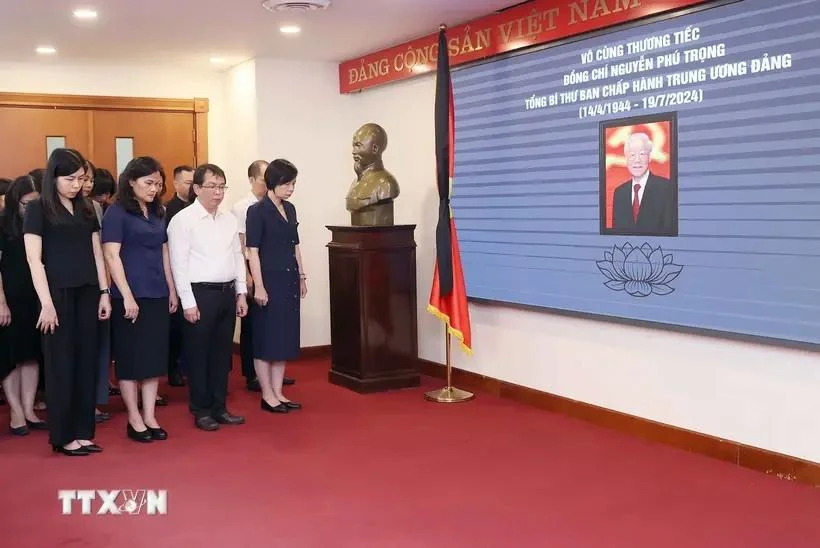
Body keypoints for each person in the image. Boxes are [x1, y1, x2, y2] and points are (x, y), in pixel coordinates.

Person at [23, 148, 112, 456]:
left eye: (81, 179)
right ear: (54, 177)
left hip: (88, 290)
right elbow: (34, 260)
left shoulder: (86, 208)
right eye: (70, 179)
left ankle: (83, 431)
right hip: (57, 295)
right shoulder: (39, 209)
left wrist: (104, 292)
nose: (77, 185)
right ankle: (63, 436)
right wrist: (46, 303)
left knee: (86, 362)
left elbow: (97, 253)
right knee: (62, 366)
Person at [167, 163, 248, 431]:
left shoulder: (229, 219)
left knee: (221, 354)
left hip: (227, 293)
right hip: (199, 294)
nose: (218, 192)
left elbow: (237, 256)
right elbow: (178, 264)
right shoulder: (183, 220)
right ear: (197, 188)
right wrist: (187, 302)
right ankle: (200, 409)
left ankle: (219, 406)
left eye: (222, 186)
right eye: (212, 186)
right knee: (198, 354)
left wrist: (241, 293)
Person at [103, 157, 178, 443]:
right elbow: (111, 256)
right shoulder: (117, 212)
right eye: (149, 183)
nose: (154, 189)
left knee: (152, 358)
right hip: (129, 296)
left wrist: (171, 288)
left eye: (158, 184)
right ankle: (133, 417)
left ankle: (149, 415)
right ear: (131, 181)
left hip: (157, 292)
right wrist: (127, 295)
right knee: (130, 359)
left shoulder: (158, 211)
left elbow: (164, 252)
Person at [247, 159, 306, 414]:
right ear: (273, 182)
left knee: (283, 338)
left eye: (293, 183)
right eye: (287, 183)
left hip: (288, 278)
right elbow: (252, 251)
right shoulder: (257, 211)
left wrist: (302, 276)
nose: (291, 188)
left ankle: (279, 391)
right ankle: (267, 394)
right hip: (268, 280)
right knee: (265, 338)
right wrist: (258, 286)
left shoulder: (290, 209)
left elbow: (295, 245)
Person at [0, 175, 46, 435]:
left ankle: (29, 409)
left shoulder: (39, 223)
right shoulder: (2, 224)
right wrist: (1, 302)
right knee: (11, 356)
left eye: (34, 203)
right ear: (15, 201)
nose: (30, 208)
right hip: (9, 299)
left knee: (31, 355)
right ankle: (15, 410)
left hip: (34, 298)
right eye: (26, 204)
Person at [611, 132, 677, 236]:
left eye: (642, 154)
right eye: (632, 155)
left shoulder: (666, 188)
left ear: (649, 157)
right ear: (626, 159)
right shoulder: (619, 193)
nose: (637, 160)